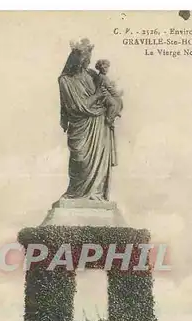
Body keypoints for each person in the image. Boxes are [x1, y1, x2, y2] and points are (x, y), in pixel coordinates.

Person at [58, 39, 119, 200]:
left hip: (99, 124)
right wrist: (98, 94)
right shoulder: (65, 80)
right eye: (85, 60)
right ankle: (77, 193)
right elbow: (78, 106)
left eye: (89, 60)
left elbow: (108, 94)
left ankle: (95, 194)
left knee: (98, 166)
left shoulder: (92, 75)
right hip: (81, 126)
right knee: (81, 162)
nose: (88, 63)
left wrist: (113, 102)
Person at [95, 59, 123, 128]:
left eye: (107, 67)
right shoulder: (103, 77)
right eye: (104, 68)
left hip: (105, 94)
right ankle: (109, 119)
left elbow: (108, 86)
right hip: (103, 96)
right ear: (100, 68)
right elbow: (109, 88)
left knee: (118, 100)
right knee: (113, 103)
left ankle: (115, 112)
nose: (106, 69)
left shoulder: (102, 77)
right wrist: (117, 93)